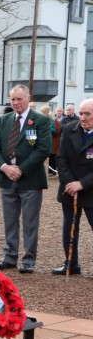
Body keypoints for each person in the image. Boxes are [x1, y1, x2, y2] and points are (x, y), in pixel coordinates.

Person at [0, 85, 52, 273]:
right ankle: (9, 257)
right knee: (10, 221)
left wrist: (21, 170)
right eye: (13, 99)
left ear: (28, 98)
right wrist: (5, 167)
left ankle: (29, 260)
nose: (16, 103)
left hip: (30, 179)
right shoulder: (4, 120)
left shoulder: (41, 120)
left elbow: (43, 149)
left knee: (30, 222)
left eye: (19, 99)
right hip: (7, 178)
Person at [52, 98, 93, 276]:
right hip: (69, 189)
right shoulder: (70, 129)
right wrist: (70, 182)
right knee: (69, 227)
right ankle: (71, 263)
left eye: (87, 114)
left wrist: (82, 184)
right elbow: (61, 158)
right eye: (81, 113)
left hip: (91, 189)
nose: (82, 117)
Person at [49, 106, 62, 176]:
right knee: (50, 158)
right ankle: (50, 171)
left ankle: (53, 172)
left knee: (53, 159)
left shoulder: (56, 123)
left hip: (54, 143)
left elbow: (56, 132)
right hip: (50, 144)